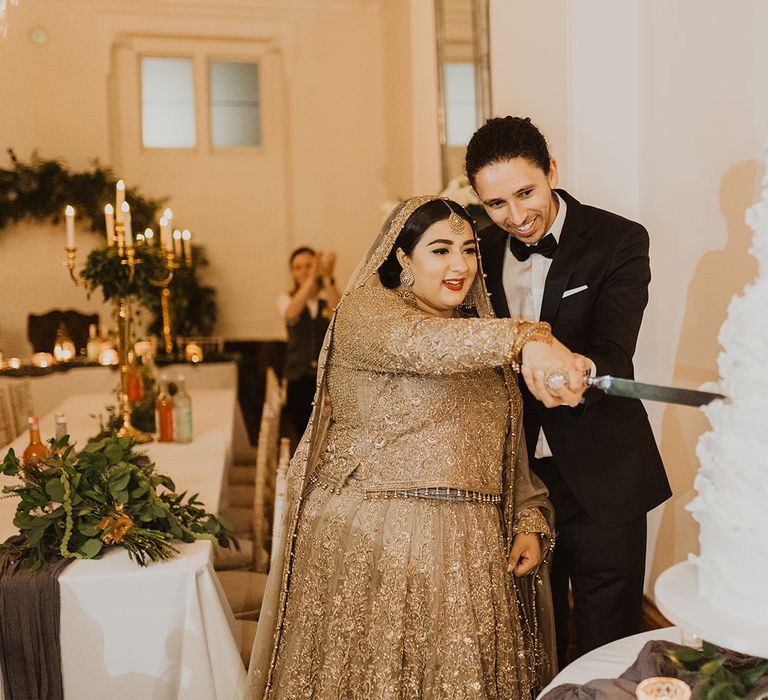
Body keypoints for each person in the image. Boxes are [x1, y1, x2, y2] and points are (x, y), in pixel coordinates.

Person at [249, 195, 589, 699]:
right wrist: (527, 337)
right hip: (379, 542)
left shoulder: (479, 334)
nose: (460, 265)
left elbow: (505, 447)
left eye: (469, 249)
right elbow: (423, 343)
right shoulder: (367, 315)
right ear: (403, 258)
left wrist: (528, 518)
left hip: (474, 557)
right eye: (441, 250)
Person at [465, 116, 671, 666]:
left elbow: (614, 349)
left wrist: (575, 370)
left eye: (526, 192)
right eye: (496, 204)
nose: (516, 216)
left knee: (612, 643)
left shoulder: (619, 239)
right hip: (517, 482)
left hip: (605, 471)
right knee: (534, 640)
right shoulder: (475, 254)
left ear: (552, 171)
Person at [278, 246, 340, 441]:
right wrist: (312, 278)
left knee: (327, 438)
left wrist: (327, 278)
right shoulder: (286, 299)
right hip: (299, 377)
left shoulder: (325, 296)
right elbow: (291, 315)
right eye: (298, 268)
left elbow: (339, 315)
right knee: (302, 435)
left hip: (327, 378)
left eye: (308, 266)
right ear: (292, 273)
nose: (304, 271)